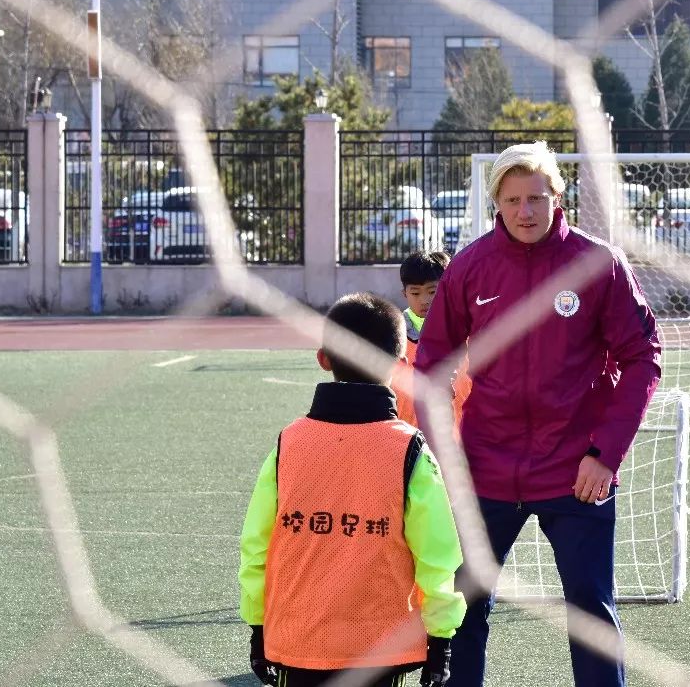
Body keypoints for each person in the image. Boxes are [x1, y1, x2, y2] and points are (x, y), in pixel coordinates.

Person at [414, 142, 662, 687]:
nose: (526, 211)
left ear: (558, 196)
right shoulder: (469, 269)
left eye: (537, 198)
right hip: (486, 469)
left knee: (590, 613)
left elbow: (642, 359)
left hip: (577, 473)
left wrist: (605, 455)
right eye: (513, 200)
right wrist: (447, 455)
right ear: (496, 204)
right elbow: (431, 367)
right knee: (463, 609)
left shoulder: (599, 266)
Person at [238, 292, 467, 687]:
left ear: (323, 358)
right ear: (400, 367)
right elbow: (437, 555)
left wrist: (258, 625)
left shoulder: (288, 444)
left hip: (297, 638)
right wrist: (441, 636)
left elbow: (256, 545)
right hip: (378, 645)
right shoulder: (409, 449)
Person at [394, 250, 471, 428]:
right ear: (404, 293)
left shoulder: (469, 332)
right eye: (415, 293)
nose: (425, 300)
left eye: (432, 291)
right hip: (411, 440)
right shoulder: (394, 335)